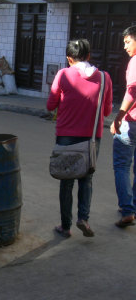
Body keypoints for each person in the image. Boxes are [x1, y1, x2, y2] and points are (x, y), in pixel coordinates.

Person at [47, 39, 113, 238]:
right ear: (89, 56)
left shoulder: (63, 74)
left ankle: (65, 226)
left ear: (69, 58)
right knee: (87, 178)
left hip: (66, 137)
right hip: (92, 137)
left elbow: (50, 105)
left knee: (66, 181)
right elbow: (107, 110)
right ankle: (83, 218)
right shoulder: (104, 77)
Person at [110, 25, 136, 228]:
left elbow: (132, 91)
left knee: (121, 165)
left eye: (128, 41)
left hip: (132, 122)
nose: (125, 46)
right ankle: (132, 206)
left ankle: (127, 210)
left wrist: (118, 116)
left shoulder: (135, 61)